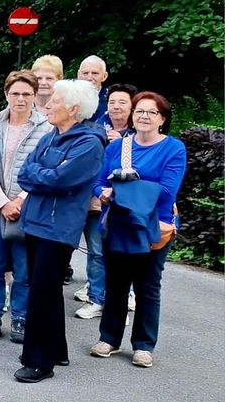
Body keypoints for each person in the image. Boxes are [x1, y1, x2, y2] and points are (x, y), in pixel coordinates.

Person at [13, 79, 106, 383]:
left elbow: (60, 180)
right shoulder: (52, 135)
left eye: (55, 101)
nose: (48, 105)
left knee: (41, 292)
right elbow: (25, 171)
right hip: (36, 221)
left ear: (74, 109)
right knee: (48, 288)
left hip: (58, 227)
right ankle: (57, 349)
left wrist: (42, 175)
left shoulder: (89, 144)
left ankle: (38, 361)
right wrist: (44, 175)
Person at [90, 92, 187, 369]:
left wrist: (119, 190)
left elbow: (167, 192)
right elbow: (97, 182)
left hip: (154, 226)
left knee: (148, 286)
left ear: (163, 119)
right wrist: (105, 192)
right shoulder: (117, 147)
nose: (144, 116)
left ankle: (144, 345)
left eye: (151, 112)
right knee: (116, 283)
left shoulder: (173, 148)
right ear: (132, 115)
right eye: (140, 111)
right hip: (117, 223)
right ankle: (109, 339)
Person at [0, 70, 52, 343]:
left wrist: (19, 200)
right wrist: (2, 203)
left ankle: (20, 317)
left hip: (27, 208)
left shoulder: (46, 129)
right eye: (15, 93)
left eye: (26, 94)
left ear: (34, 96)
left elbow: (44, 170)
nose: (20, 99)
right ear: (6, 94)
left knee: (24, 268)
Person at [75, 83, 138, 316]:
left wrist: (120, 142)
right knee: (96, 250)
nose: (116, 107)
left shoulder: (139, 132)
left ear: (132, 106)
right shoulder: (94, 126)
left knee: (125, 251)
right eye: (112, 101)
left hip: (127, 202)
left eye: (122, 102)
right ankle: (96, 299)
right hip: (95, 198)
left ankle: (126, 294)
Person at [77, 55, 110, 122]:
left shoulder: (111, 99)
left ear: (104, 76)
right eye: (85, 73)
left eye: (95, 73)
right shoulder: (69, 97)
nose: (89, 78)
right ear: (78, 75)